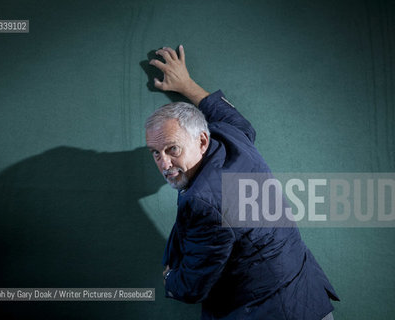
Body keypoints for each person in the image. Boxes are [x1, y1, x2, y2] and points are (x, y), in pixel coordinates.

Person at [145, 45, 339, 320]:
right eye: (155, 153)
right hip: (306, 297)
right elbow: (235, 120)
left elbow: (191, 287)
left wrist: (171, 279)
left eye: (172, 149)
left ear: (202, 141)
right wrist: (187, 85)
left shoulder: (204, 203)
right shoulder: (232, 138)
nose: (163, 164)